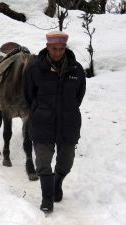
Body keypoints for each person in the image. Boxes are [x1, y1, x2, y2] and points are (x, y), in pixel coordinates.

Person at [23, 31, 86, 213]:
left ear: (65, 47)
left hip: (68, 123)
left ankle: (57, 183)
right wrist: (38, 110)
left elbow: (78, 96)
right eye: (54, 49)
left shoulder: (76, 69)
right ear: (47, 47)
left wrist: (67, 109)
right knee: (43, 162)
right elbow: (29, 95)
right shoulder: (35, 69)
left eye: (61, 49)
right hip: (42, 122)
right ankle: (47, 198)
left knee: (66, 162)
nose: (57, 53)